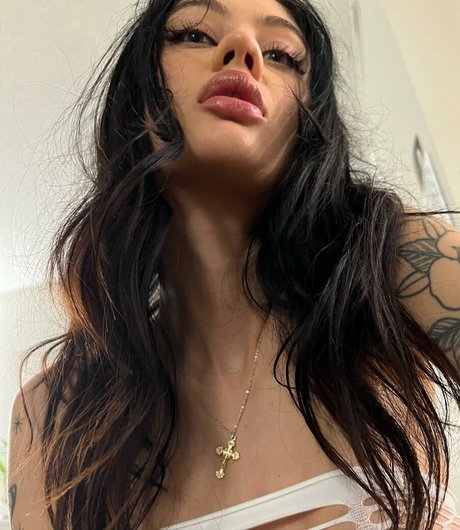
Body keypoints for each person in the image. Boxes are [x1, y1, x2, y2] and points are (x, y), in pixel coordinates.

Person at [7, 0, 460, 528]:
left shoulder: (393, 258)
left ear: (310, 119)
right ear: (137, 97)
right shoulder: (52, 413)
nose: (243, 49)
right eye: (195, 35)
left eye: (282, 54)